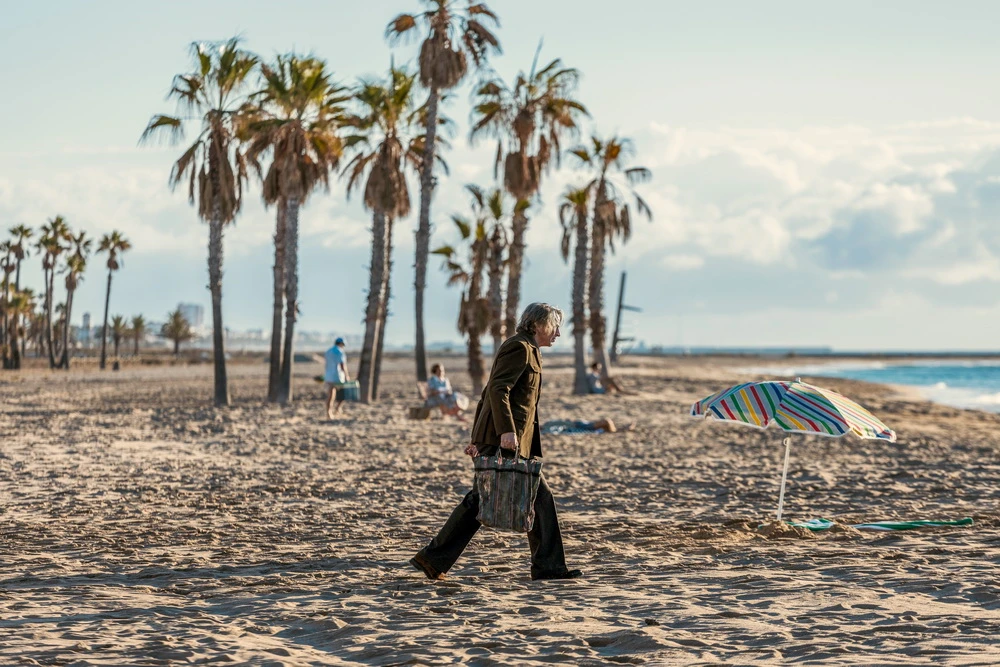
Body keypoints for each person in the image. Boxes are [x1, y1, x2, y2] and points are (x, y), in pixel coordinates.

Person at [409, 303, 583, 582]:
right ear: (538, 324)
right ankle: (547, 568)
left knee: (501, 499)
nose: (558, 333)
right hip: (504, 439)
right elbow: (497, 390)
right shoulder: (519, 347)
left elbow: (493, 393)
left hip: (512, 439)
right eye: (555, 327)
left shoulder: (530, 349)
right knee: (499, 499)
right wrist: (502, 433)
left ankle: (433, 559)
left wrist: (480, 437)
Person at [323, 337, 350, 419]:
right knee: (344, 393)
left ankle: (329, 412)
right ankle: (338, 408)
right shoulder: (340, 352)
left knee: (330, 395)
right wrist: (346, 375)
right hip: (337, 376)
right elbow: (342, 364)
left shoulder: (328, 351)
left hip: (328, 375)